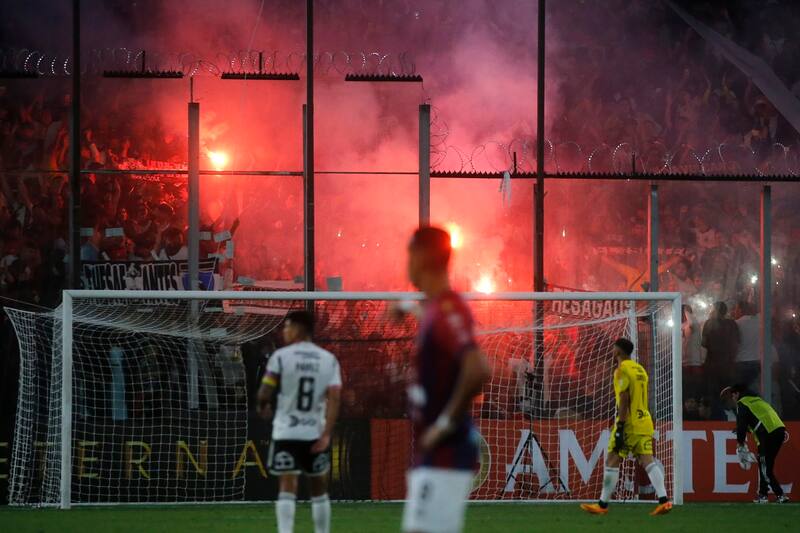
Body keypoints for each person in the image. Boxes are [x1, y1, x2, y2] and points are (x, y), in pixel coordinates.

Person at [399, 226, 491, 533]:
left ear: (423, 256)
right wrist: (405, 308)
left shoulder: (448, 309)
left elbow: (478, 369)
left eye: (409, 255)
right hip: (436, 452)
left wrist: (443, 425)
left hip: (447, 449)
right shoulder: (436, 310)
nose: (407, 264)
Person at [256, 310, 342, 533]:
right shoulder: (328, 360)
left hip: (286, 432)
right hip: (314, 433)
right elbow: (335, 398)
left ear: (298, 328)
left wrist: (263, 406)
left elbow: (265, 391)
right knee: (319, 488)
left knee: (287, 485)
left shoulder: (280, 357)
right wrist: (326, 434)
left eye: (287, 326)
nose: (284, 331)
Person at [581, 338, 672, 516]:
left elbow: (624, 399)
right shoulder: (640, 369)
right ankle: (664, 501)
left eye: (614, 347)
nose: (612, 349)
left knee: (612, 459)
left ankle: (602, 505)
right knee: (647, 460)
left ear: (619, 351)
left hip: (629, 422)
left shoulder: (621, 370)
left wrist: (621, 426)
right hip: (645, 420)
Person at [720, 384, 789, 504]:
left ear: (737, 394)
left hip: (767, 434)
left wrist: (740, 443)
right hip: (779, 430)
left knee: (765, 468)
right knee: (765, 465)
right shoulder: (757, 400)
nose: (732, 399)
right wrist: (743, 429)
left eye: (732, 395)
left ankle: (780, 495)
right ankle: (763, 495)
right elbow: (757, 420)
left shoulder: (742, 403)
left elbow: (742, 424)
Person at [702, 302, 740, 405]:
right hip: (727, 364)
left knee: (713, 394)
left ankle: (716, 415)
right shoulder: (732, 324)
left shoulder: (709, 323)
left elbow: (704, 343)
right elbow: (737, 343)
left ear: (715, 310)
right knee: (727, 392)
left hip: (712, 364)